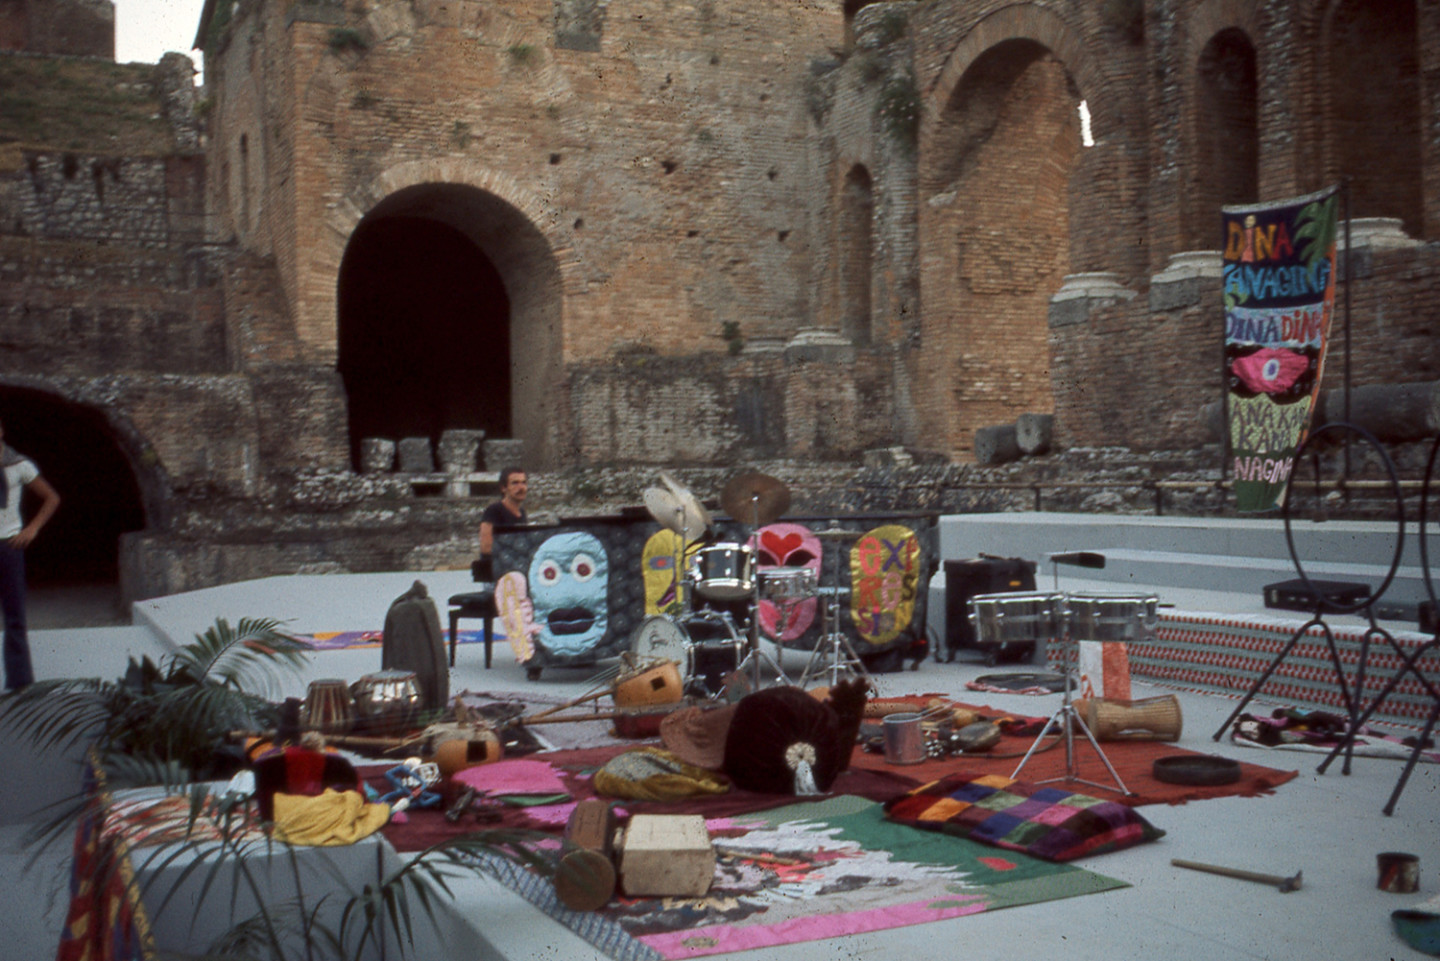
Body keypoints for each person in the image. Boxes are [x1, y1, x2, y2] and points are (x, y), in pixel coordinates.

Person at [0, 419, 60, 691]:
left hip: (10, 545)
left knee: (15, 615)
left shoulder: (19, 464)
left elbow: (51, 497)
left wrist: (32, 529)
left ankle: (20, 682)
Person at [476, 467, 527, 580]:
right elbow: (486, 547)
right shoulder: (493, 511)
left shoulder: (522, 513)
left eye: (523, 483)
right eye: (515, 483)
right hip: (497, 575)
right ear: (503, 488)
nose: (521, 487)